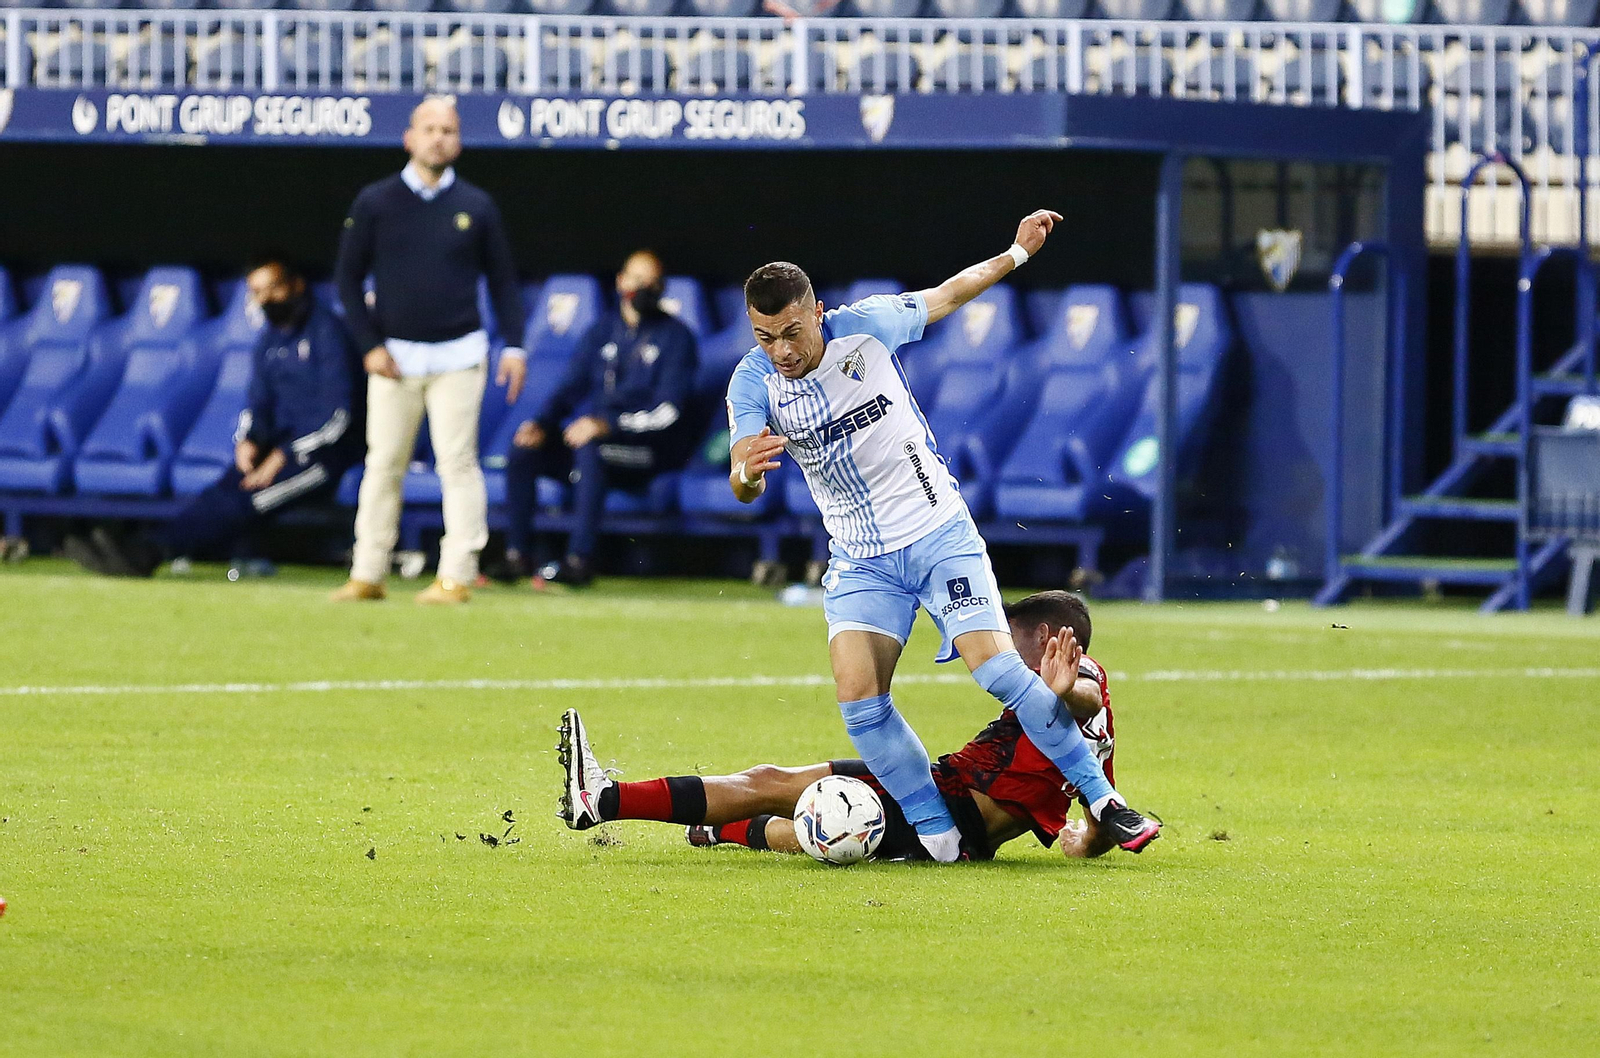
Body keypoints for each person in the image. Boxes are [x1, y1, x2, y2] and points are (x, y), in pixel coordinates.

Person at [723, 212, 1160, 862]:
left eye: (791, 332)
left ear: (817, 311)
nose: (782, 351)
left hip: (937, 536)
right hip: (862, 562)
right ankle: (937, 836)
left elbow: (950, 293)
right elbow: (741, 473)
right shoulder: (751, 383)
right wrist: (747, 476)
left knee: (999, 670)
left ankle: (1106, 802)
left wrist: (1015, 253)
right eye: (765, 338)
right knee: (859, 701)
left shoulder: (866, 327)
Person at [559, 591, 1125, 862]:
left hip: (946, 805)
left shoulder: (1079, 682)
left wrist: (1058, 690)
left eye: (1012, 638)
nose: (998, 648)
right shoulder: (1093, 734)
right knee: (809, 817)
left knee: (774, 785)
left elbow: (1079, 697)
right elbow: (1098, 818)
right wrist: (1083, 841)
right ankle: (715, 830)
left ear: (1055, 639)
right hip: (958, 822)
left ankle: (604, 800)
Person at [331, 96, 527, 606]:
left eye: (449, 129)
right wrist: (369, 345)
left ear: (459, 141)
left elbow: (504, 282)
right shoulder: (375, 201)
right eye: (430, 128)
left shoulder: (477, 205)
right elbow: (347, 281)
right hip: (394, 358)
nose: (439, 137)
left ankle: (455, 576)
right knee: (383, 464)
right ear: (409, 138)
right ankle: (367, 572)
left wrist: (516, 347)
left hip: (459, 355)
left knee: (458, 464)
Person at [63, 257, 362, 578]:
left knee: (244, 503)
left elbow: (338, 415)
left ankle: (147, 553)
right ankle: (139, 548)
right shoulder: (269, 341)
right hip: (278, 450)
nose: (266, 299)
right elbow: (258, 403)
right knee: (219, 493)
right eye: (257, 292)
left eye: (273, 288)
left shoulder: (328, 333)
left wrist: (282, 455)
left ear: (296, 285)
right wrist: (250, 440)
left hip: (323, 458)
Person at [489, 250, 697, 588]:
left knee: (592, 449)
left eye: (651, 282)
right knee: (525, 449)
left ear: (661, 287)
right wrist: (542, 423)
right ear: (620, 282)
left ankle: (579, 561)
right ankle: (517, 555)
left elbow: (668, 414)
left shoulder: (677, 337)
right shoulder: (603, 330)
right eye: (635, 279)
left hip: (647, 453)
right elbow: (570, 387)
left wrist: (608, 425)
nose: (642, 287)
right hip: (600, 443)